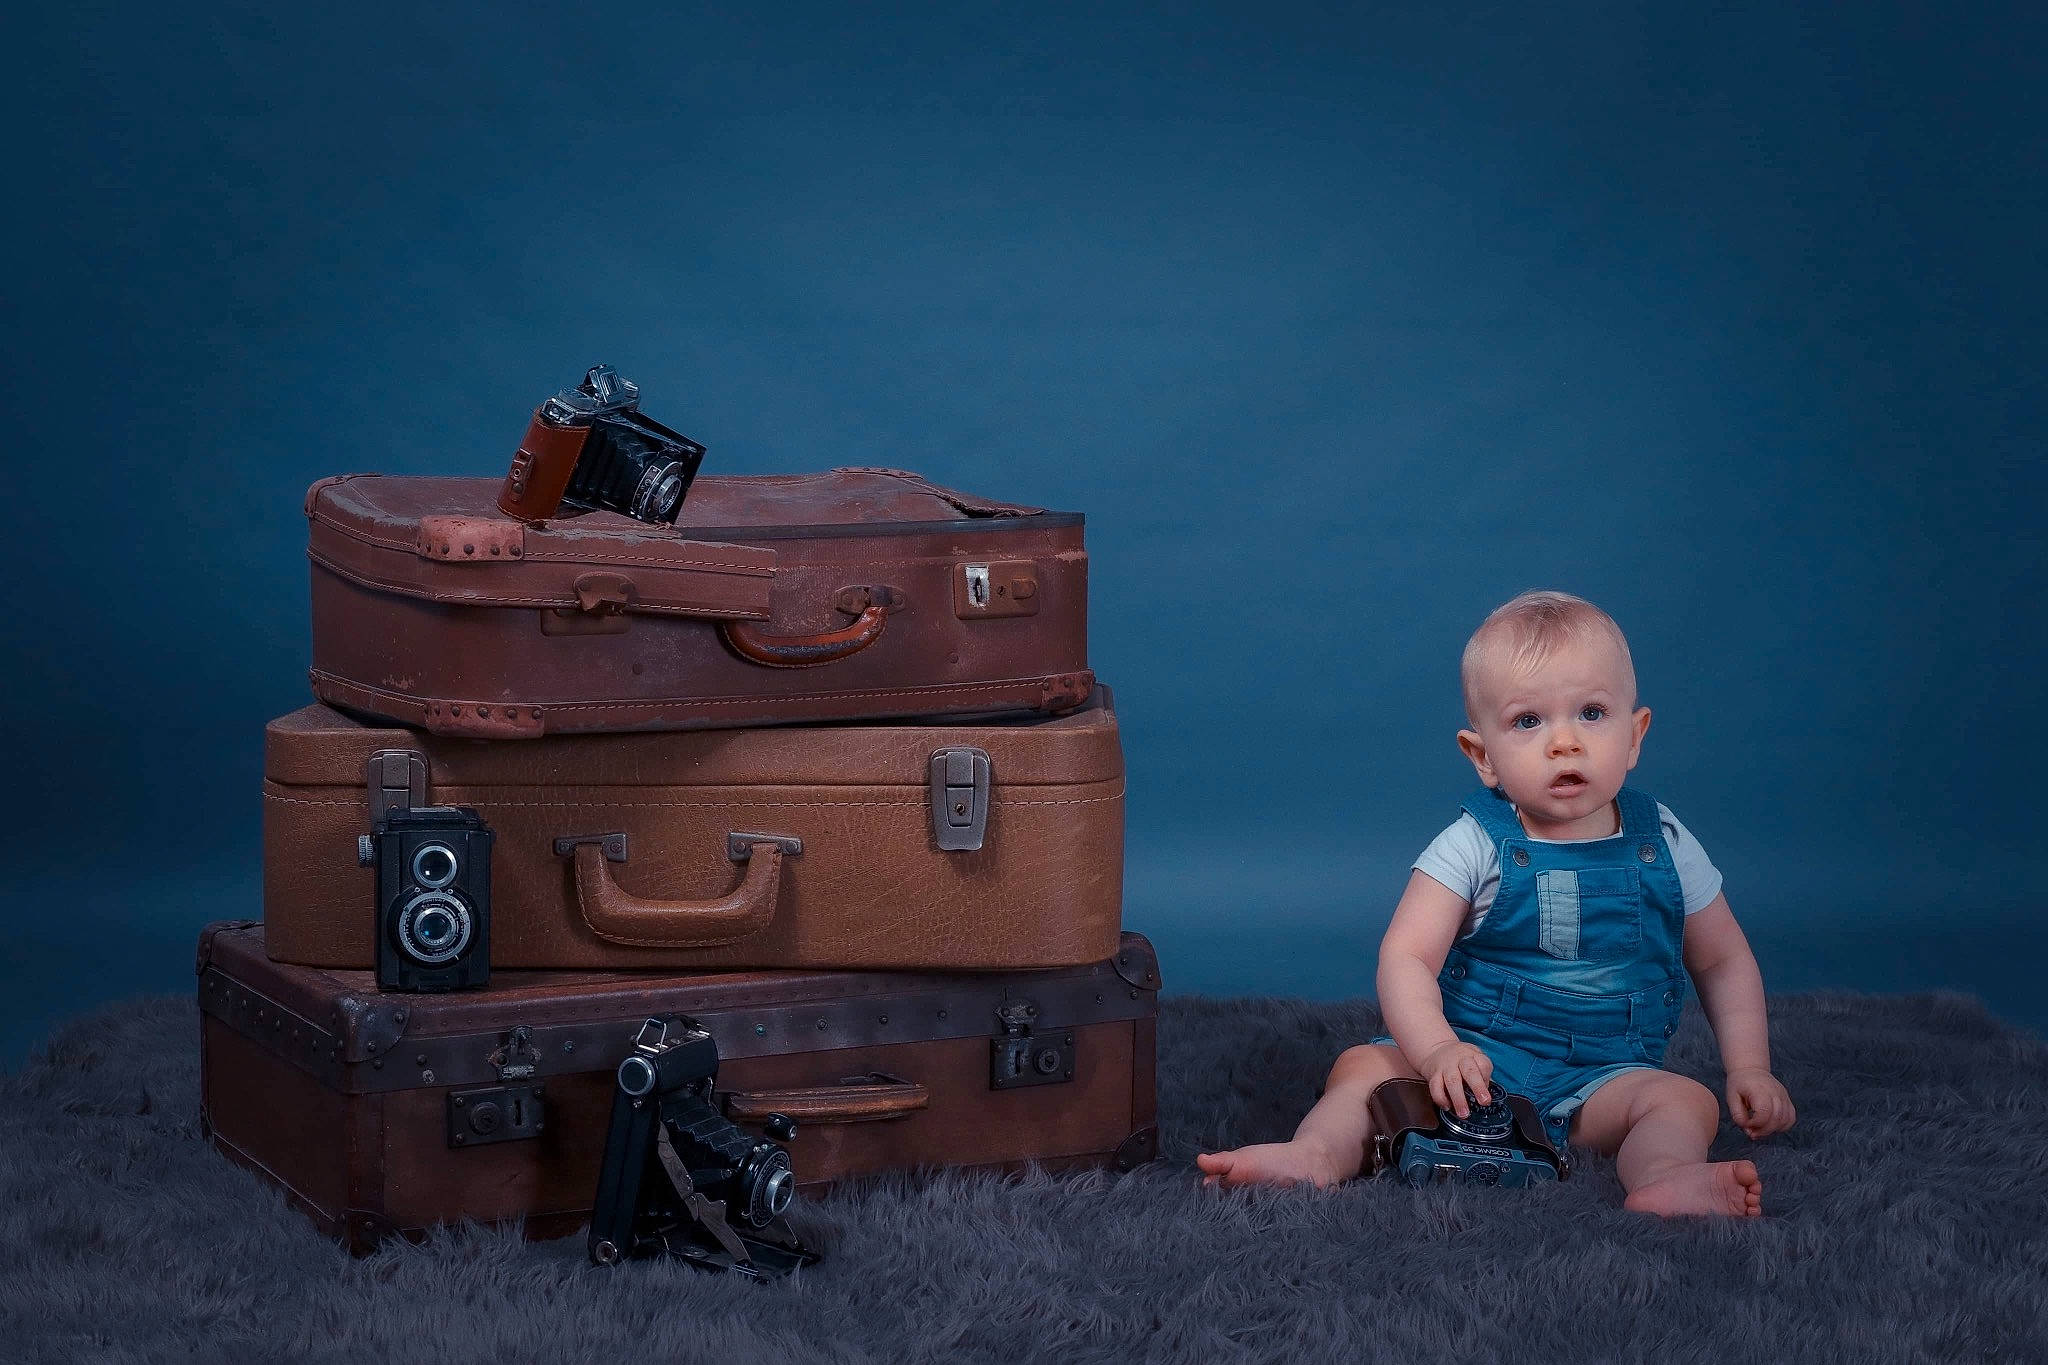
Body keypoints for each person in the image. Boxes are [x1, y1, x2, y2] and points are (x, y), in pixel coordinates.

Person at [1195, 591, 1796, 1216]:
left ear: (1636, 735)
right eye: (1528, 722)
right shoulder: (1475, 844)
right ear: (1483, 756)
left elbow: (1723, 960)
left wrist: (1750, 1067)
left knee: (1682, 1102)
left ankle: (1665, 1178)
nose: (1565, 743)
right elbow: (1405, 957)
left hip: (1599, 1082)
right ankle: (1314, 1155)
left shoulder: (1664, 842)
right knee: (1365, 1068)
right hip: (1469, 1066)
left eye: (1592, 713)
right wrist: (1436, 1052)